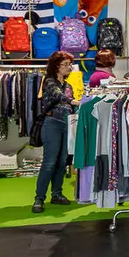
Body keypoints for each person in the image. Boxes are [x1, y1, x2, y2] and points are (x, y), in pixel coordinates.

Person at [32, 51, 79, 213]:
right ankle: (39, 198)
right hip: (52, 123)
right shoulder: (48, 81)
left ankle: (57, 194)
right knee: (49, 162)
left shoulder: (69, 86)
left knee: (62, 162)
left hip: (66, 124)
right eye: (65, 64)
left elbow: (70, 105)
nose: (69, 67)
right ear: (56, 66)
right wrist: (73, 101)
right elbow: (58, 96)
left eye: (70, 64)